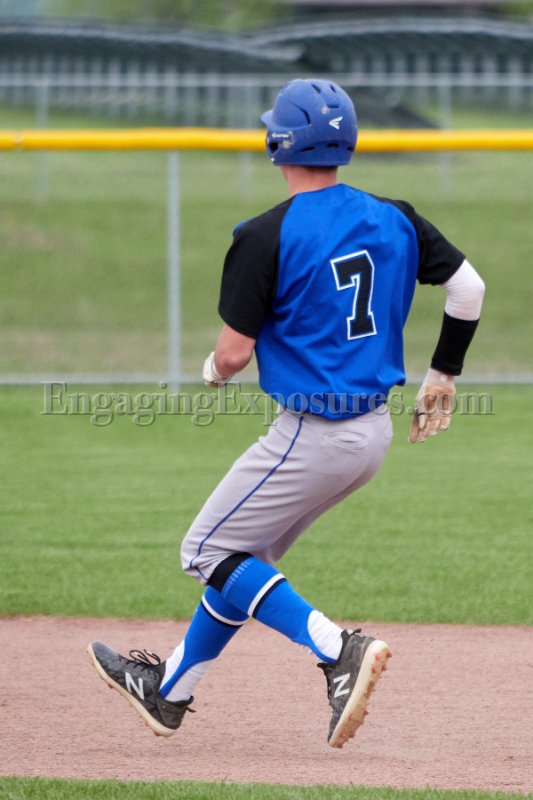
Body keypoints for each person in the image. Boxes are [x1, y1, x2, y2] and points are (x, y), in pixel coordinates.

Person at [88, 79, 485, 749]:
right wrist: (443, 373)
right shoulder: (395, 216)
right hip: (372, 434)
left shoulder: (264, 234)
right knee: (241, 562)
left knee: (205, 551)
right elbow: (467, 289)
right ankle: (169, 691)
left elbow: (233, 354)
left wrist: (212, 370)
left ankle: (337, 649)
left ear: (280, 143)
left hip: (312, 434)